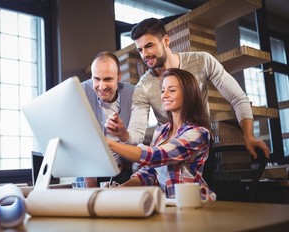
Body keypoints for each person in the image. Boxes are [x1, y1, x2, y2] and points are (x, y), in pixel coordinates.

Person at [105, 17, 270, 160]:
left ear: (166, 41)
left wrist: (249, 136)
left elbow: (238, 98)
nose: (144, 54)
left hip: (199, 147)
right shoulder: (143, 86)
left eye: (149, 46)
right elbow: (137, 134)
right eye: (140, 49)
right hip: (166, 152)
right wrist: (123, 134)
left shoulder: (202, 61)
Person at [106, 68, 216, 200]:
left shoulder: (198, 133)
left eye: (172, 90)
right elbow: (149, 172)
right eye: (163, 90)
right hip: (169, 204)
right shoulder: (160, 132)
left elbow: (156, 156)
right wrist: (119, 190)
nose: (164, 95)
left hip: (195, 203)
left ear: (188, 94)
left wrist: (108, 143)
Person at [78, 51, 135, 187]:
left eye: (108, 79)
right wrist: (90, 182)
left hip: (123, 169)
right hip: (89, 170)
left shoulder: (133, 94)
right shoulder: (81, 92)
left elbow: (135, 138)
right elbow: (79, 138)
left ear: (119, 76)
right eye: (96, 79)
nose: (102, 86)